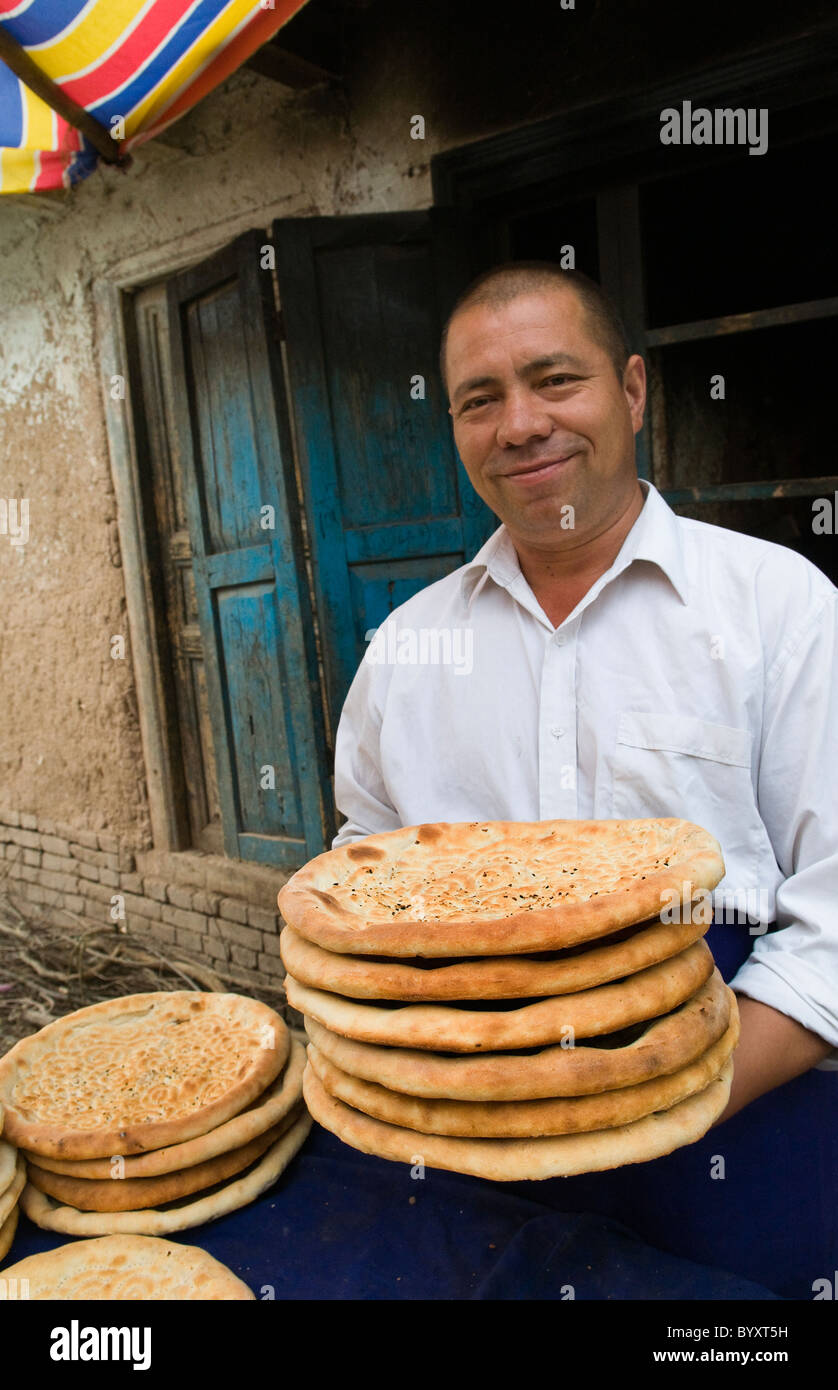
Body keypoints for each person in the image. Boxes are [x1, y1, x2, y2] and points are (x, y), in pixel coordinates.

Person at [330, 262, 838, 1296]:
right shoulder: (406, 649)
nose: (519, 424)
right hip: (466, 1136)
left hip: (740, 1105)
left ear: (635, 392)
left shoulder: (778, 608)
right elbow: (360, 880)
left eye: (555, 380)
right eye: (480, 399)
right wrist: (452, 1078)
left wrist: (645, 1094)